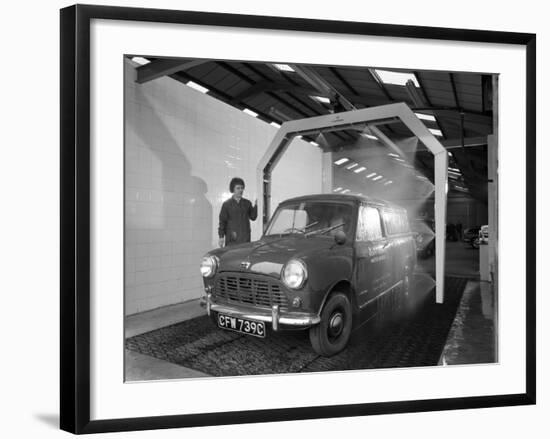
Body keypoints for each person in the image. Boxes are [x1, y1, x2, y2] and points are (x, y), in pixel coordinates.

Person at [218, 177, 258, 247]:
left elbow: (253, 217)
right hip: (232, 238)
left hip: (245, 238)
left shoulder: (247, 203)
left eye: (242, 188)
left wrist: (256, 206)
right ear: (233, 189)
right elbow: (222, 221)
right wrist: (221, 237)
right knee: (232, 256)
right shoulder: (227, 204)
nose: (240, 190)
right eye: (238, 188)